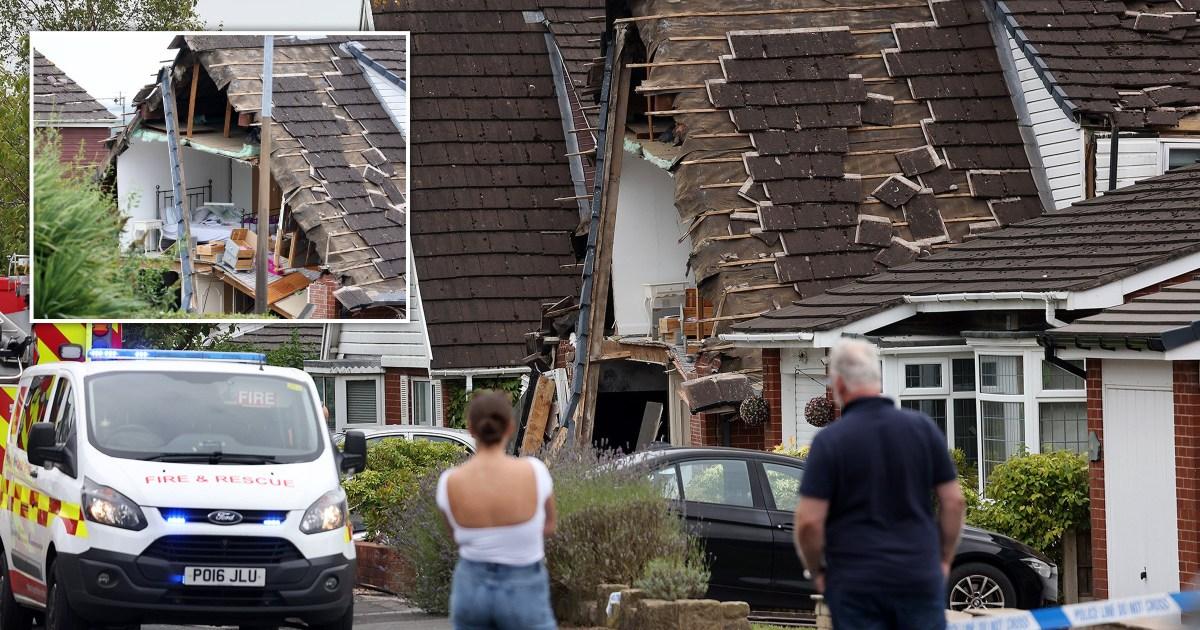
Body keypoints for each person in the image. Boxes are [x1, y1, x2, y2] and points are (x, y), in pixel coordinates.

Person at [794, 339, 966, 630]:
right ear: (877, 378)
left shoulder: (829, 442)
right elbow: (954, 502)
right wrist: (944, 559)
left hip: (856, 582)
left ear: (839, 384)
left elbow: (809, 522)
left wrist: (817, 570)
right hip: (918, 574)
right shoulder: (923, 429)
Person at [436, 391, 558, 630]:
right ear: (510, 427)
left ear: (471, 429)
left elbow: (453, 535)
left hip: (471, 587)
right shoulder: (535, 472)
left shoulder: (449, 481)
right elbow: (550, 525)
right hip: (524, 585)